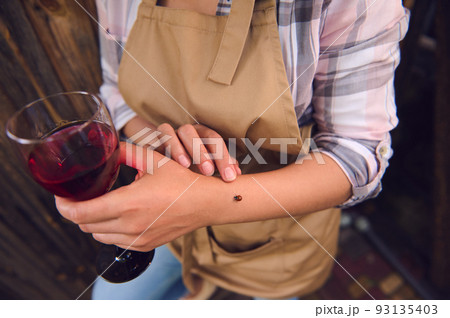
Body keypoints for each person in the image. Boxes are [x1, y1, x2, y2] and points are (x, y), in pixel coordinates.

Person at [55, 0, 409, 299]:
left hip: (279, 238)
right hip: (160, 214)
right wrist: (163, 144)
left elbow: (357, 155)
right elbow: (115, 90)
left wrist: (205, 201)